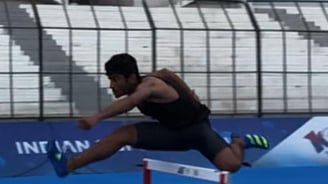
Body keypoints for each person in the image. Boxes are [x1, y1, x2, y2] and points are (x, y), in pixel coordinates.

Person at [47, 53, 270, 177]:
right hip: (171, 132)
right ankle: (68, 165)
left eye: (115, 79)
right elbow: (167, 72)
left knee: (231, 166)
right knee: (122, 134)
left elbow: (130, 102)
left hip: (197, 132)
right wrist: (189, 92)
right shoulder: (153, 77)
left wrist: (97, 117)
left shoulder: (148, 86)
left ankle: (239, 142)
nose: (111, 85)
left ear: (131, 77)